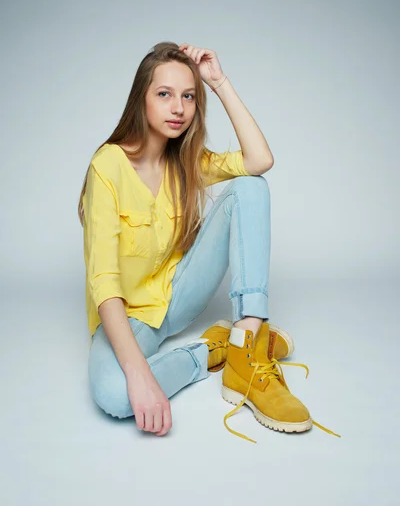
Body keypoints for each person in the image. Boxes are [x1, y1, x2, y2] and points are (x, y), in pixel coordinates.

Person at [78, 41, 340, 443]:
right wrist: (140, 376)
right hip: (130, 317)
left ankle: (248, 341)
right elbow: (104, 282)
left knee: (251, 188)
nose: (178, 108)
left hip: (179, 296)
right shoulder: (107, 165)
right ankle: (215, 350)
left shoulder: (187, 161)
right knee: (116, 393)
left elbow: (259, 161)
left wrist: (218, 83)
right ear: (141, 99)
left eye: (188, 97)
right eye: (164, 94)